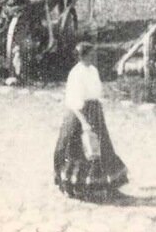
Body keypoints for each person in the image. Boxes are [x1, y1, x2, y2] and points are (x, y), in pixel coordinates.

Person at [54, 43, 128, 200]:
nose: (94, 57)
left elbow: (96, 92)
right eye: (91, 54)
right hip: (79, 115)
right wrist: (84, 122)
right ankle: (75, 187)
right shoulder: (76, 73)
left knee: (101, 148)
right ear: (82, 56)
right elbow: (73, 101)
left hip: (95, 112)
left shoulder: (93, 70)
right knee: (78, 151)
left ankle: (106, 186)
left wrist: (96, 112)